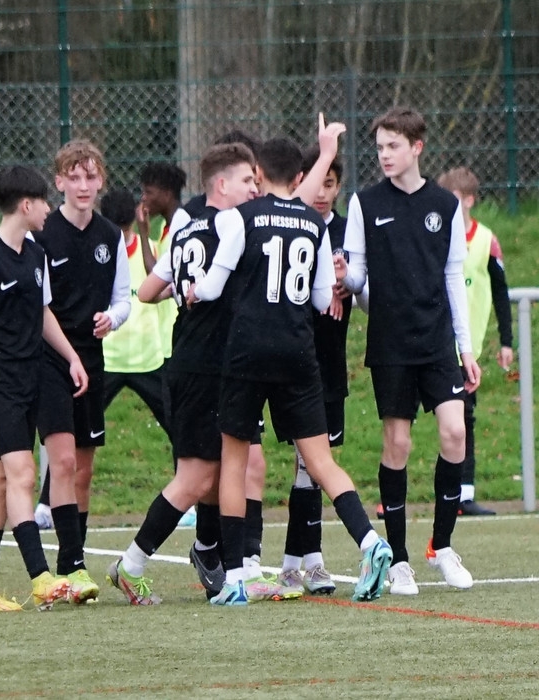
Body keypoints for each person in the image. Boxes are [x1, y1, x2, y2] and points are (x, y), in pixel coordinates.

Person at [196, 137, 393, 606]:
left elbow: (212, 287)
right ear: (300, 178)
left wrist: (193, 288)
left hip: (247, 354)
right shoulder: (314, 223)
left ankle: (237, 576)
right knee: (321, 462)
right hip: (299, 353)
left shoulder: (240, 217)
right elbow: (325, 299)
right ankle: (370, 542)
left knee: (235, 461)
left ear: (259, 175)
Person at [106, 143, 260, 604]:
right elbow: (202, 287)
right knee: (195, 478)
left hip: (191, 359)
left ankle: (213, 556)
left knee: (219, 472)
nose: (254, 188)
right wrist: (198, 289)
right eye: (247, 181)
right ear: (221, 184)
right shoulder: (231, 223)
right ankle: (131, 564)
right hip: (206, 365)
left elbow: (148, 290)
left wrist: (181, 285)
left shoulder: (187, 227)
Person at [338, 106, 480, 596]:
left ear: (417, 147)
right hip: (391, 344)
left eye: (393, 146)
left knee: (455, 431)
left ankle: (442, 546)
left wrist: (466, 349)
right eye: (379, 147)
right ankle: (398, 560)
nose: (384, 155)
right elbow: (359, 282)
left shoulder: (445, 205)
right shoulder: (364, 203)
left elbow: (453, 278)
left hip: (437, 343)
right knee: (397, 444)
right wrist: (348, 280)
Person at [0, 165, 87, 612]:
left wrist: (72, 357)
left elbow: (44, 313)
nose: (49, 209)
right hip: (0, 383)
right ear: (26, 205)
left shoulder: (35, 254)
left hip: (32, 378)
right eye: (44, 201)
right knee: (23, 474)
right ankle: (41, 577)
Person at [33, 139, 131, 604]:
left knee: (85, 469)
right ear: (59, 182)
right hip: (51, 358)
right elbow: (38, 304)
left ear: (101, 181)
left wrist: (113, 318)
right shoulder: (43, 234)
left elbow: (124, 298)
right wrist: (65, 350)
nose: (83, 185)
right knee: (64, 463)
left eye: (90, 176)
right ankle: (70, 565)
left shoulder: (110, 235)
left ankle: (74, 561)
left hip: (92, 360)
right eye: (74, 177)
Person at [275, 146, 350, 597]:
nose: (321, 192)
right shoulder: (290, 226)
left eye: (330, 183)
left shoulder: (346, 230)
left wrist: (348, 281)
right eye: (315, 182)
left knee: (312, 470)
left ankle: (293, 564)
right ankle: (310, 563)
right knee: (308, 466)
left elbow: (363, 288)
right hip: (296, 363)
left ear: (338, 187)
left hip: (331, 364)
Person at [437, 166, 514, 517]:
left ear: (469, 201)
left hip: (466, 351)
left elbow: (500, 293)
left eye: (453, 200)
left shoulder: (485, 241)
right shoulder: (434, 237)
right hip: (433, 343)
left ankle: (462, 494)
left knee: (464, 419)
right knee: (404, 416)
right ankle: (394, 492)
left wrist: (506, 341)